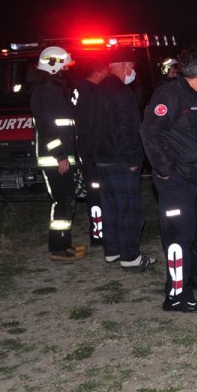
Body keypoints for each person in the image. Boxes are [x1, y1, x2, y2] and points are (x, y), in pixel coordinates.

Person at [140, 45, 197, 313]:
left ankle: (193, 279)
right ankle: (176, 296)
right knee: (178, 237)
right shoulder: (170, 95)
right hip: (176, 182)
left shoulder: (196, 97)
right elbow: (150, 132)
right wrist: (165, 169)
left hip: (196, 182)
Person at [88, 48, 157, 270]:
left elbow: (90, 125)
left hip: (102, 158)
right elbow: (127, 129)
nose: (133, 72)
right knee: (130, 209)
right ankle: (130, 257)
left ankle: (112, 250)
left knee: (110, 207)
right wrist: (134, 158)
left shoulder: (96, 90)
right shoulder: (122, 92)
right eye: (132, 67)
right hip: (121, 159)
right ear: (123, 65)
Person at [29, 46, 86, 261]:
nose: (67, 70)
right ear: (53, 65)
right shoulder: (44, 91)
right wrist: (60, 155)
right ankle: (58, 249)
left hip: (62, 158)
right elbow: (47, 128)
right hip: (54, 159)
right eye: (65, 65)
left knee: (67, 202)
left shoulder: (55, 90)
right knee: (61, 203)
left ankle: (65, 244)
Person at [70, 60, 110, 247]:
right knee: (96, 194)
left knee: (94, 193)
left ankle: (99, 232)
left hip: (84, 151)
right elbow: (95, 124)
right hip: (92, 152)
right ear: (99, 72)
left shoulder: (78, 90)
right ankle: (99, 234)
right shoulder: (91, 92)